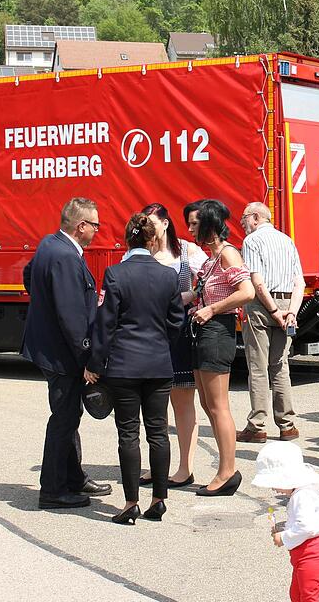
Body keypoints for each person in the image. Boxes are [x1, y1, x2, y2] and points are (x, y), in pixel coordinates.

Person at [86, 212, 185, 525]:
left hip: (124, 365)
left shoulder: (115, 274)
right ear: (153, 240)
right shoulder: (169, 276)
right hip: (158, 364)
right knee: (158, 432)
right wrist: (160, 345)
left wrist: (95, 363)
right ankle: (159, 499)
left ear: (127, 240)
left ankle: (130, 503)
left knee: (128, 433)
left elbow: (106, 325)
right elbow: (176, 322)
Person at [22, 197, 112, 510]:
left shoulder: (49, 244)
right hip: (61, 355)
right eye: (95, 225)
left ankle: (74, 477)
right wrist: (86, 359)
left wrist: (43, 307)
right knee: (63, 419)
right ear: (81, 226)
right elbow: (72, 318)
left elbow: (28, 275)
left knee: (69, 416)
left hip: (51, 348)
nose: (98, 231)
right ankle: (53, 489)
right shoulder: (65, 256)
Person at [184, 199, 254, 496]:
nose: (190, 229)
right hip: (205, 331)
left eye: (194, 224)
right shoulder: (212, 258)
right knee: (207, 404)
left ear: (210, 224)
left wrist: (211, 309)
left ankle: (227, 471)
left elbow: (247, 292)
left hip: (217, 332)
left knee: (218, 405)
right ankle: (224, 469)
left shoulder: (228, 254)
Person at [136, 201, 205, 489]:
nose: (148, 229)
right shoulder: (141, 254)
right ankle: (157, 465)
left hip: (178, 334)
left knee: (182, 400)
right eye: (145, 224)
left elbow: (210, 279)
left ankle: (185, 468)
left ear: (165, 223)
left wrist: (187, 298)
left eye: (152, 223)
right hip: (150, 332)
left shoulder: (187, 252)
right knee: (153, 403)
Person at [238, 201, 304, 443]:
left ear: (255, 217)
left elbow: (257, 282)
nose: (242, 223)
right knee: (280, 365)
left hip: (262, 305)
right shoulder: (287, 240)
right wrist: (291, 312)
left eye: (244, 218)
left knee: (258, 367)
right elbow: (299, 282)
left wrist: (274, 311)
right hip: (288, 304)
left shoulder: (251, 241)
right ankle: (287, 425)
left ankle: (257, 426)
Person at [253, 442, 319, 602]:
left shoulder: (301, 496)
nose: (273, 489)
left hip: (312, 555)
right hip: (308, 554)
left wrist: (283, 537)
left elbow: (307, 528)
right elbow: (304, 522)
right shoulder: (304, 491)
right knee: (297, 595)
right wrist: (286, 529)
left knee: (307, 597)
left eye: (274, 483)